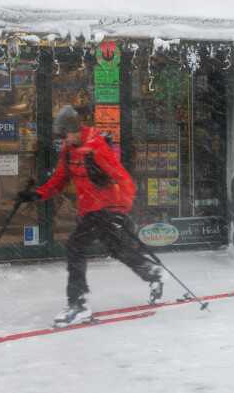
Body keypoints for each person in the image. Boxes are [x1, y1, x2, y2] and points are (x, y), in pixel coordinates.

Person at [18, 105, 164, 326]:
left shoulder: (97, 148)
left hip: (107, 209)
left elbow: (125, 180)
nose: (63, 140)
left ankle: (78, 304)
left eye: (64, 135)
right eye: (61, 137)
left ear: (75, 129)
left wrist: (120, 211)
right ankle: (152, 272)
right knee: (117, 249)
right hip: (90, 210)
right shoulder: (69, 152)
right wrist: (36, 195)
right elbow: (59, 180)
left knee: (75, 247)